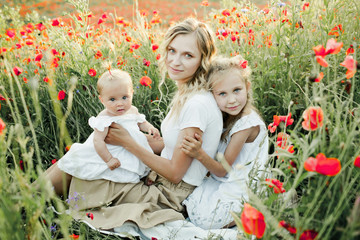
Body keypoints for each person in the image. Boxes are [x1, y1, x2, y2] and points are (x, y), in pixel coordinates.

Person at [44, 18, 223, 230]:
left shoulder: (196, 105)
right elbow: (180, 148)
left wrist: (130, 143)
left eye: (188, 55)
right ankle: (25, 200)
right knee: (83, 155)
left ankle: (25, 203)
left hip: (167, 194)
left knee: (77, 162)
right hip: (159, 178)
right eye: (172, 51)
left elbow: (176, 173)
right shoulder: (191, 94)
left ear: (203, 60)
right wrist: (145, 141)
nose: (175, 61)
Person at [181, 55, 269, 229]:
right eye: (222, 93)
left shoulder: (246, 123)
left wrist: (199, 154)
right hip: (224, 181)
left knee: (206, 220)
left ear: (247, 87)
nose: (232, 100)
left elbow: (222, 170)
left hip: (241, 186)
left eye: (237, 90)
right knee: (188, 201)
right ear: (212, 95)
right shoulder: (224, 117)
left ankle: (251, 211)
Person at [57, 69, 160, 184]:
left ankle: (142, 175)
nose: (120, 103)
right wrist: (109, 159)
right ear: (102, 100)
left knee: (137, 165)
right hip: (114, 152)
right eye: (112, 99)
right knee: (121, 172)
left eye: (125, 97)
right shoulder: (104, 118)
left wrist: (150, 128)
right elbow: (98, 141)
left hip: (132, 148)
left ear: (131, 93)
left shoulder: (132, 110)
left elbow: (141, 123)